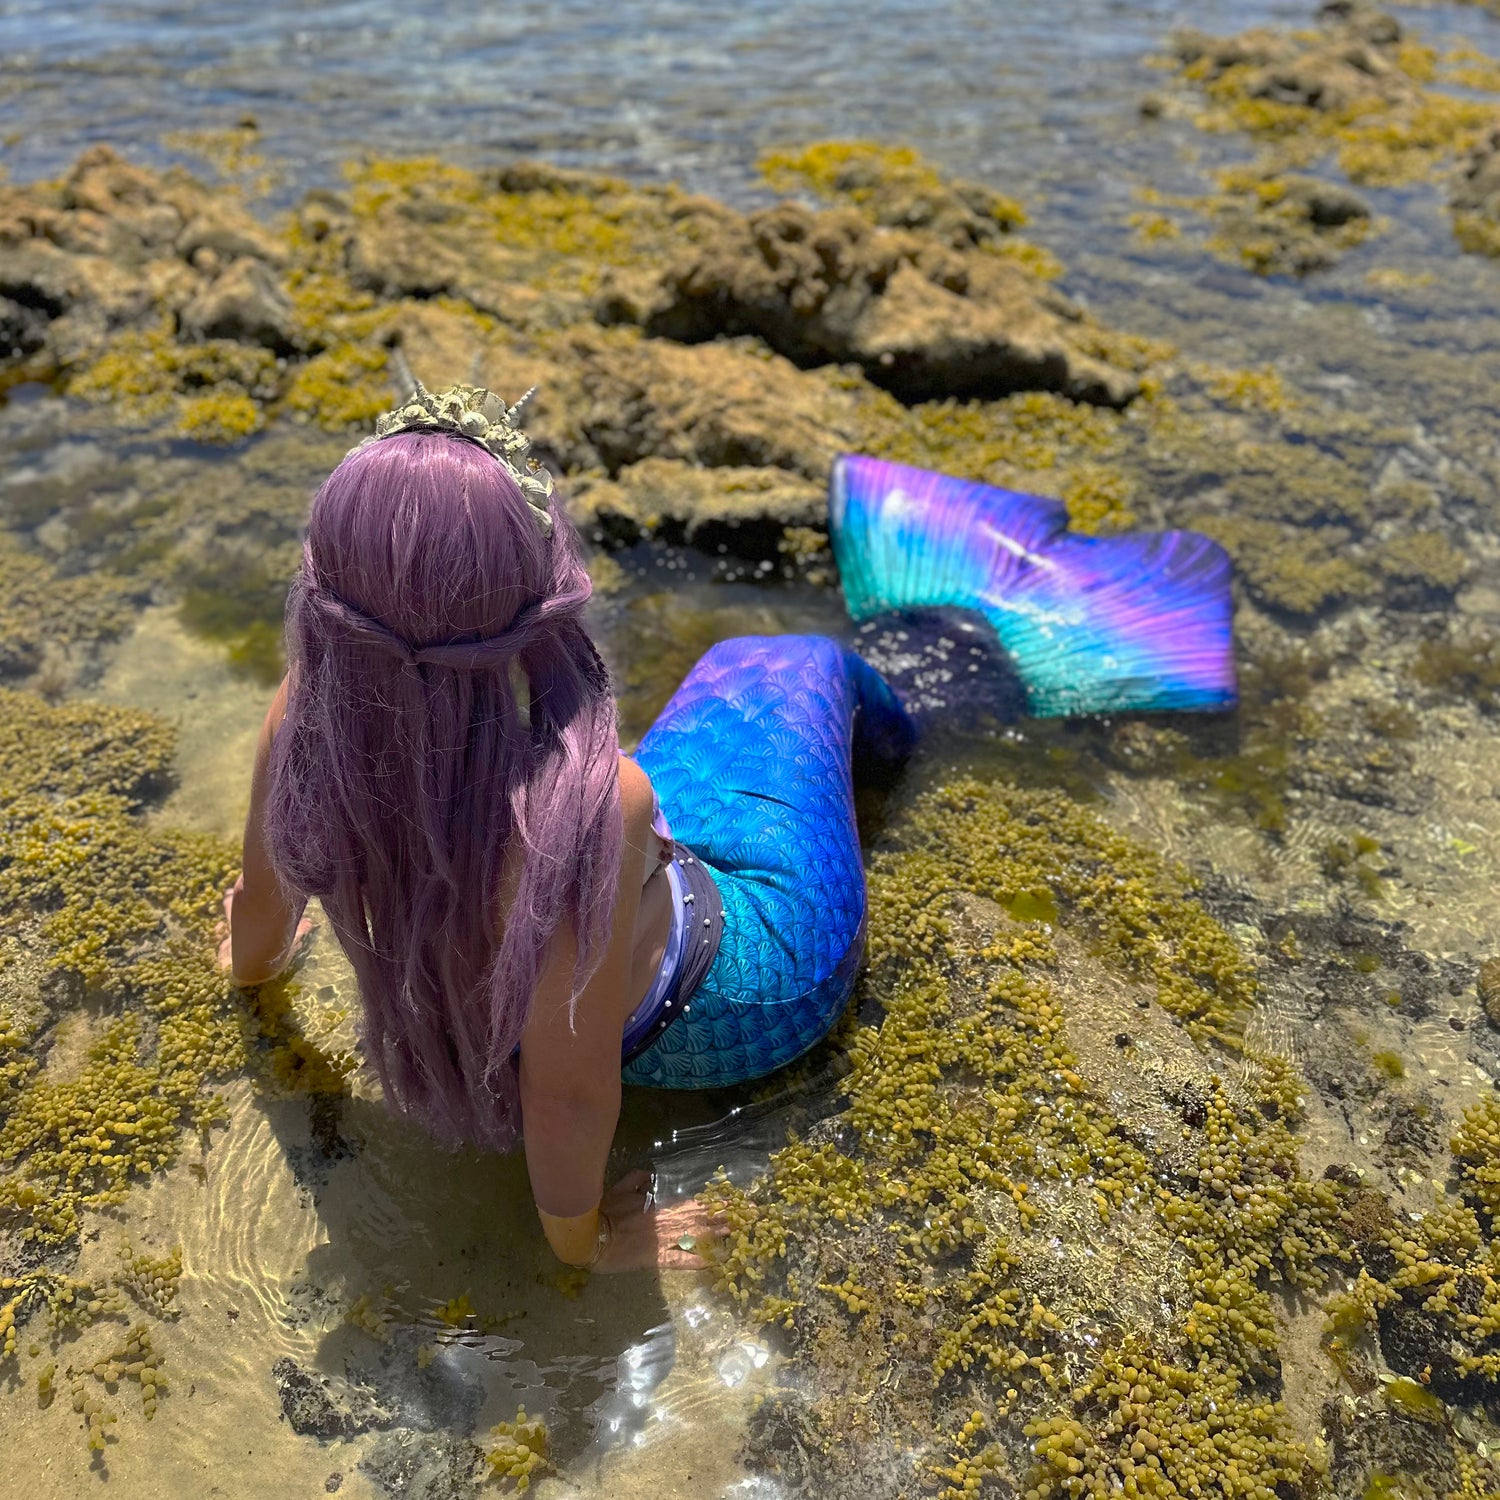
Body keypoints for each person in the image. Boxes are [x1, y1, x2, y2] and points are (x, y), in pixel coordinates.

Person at [219, 382, 916, 1273]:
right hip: (739, 993)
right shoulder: (590, 806)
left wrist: (247, 971)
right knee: (783, 660)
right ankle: (929, 707)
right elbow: (568, 1097)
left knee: (734, 707)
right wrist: (585, 1247)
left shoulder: (302, 725)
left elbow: (263, 917)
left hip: (577, 978)